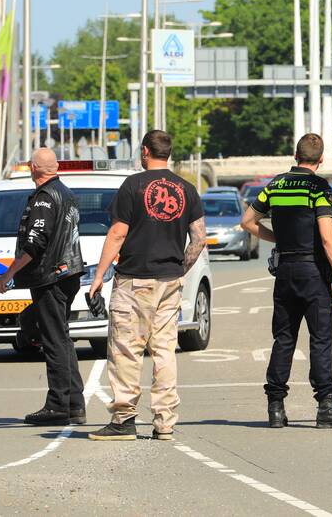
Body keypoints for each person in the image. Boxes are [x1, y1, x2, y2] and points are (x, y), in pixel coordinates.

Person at [87, 130, 206, 442]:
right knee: (164, 350)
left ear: (144, 152)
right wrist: (179, 268)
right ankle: (164, 422)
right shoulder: (187, 189)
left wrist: (99, 275)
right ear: (169, 153)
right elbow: (199, 238)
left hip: (134, 279)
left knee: (127, 348)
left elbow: (117, 233)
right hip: (170, 280)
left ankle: (124, 418)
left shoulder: (133, 185)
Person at [241, 133, 332, 429]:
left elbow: (247, 221)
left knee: (284, 338)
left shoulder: (275, 185)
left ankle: (275, 406)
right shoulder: (318, 188)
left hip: (285, 270)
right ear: (321, 159)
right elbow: (327, 236)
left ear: (295, 156)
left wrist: (278, 239)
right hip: (313, 272)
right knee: (320, 338)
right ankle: (327, 404)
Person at [0, 148, 86, 426]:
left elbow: (36, 241)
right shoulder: (66, 193)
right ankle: (74, 404)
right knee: (61, 337)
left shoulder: (45, 197)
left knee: (54, 340)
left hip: (51, 276)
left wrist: (8, 275)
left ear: (33, 168)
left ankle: (57, 406)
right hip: (67, 273)